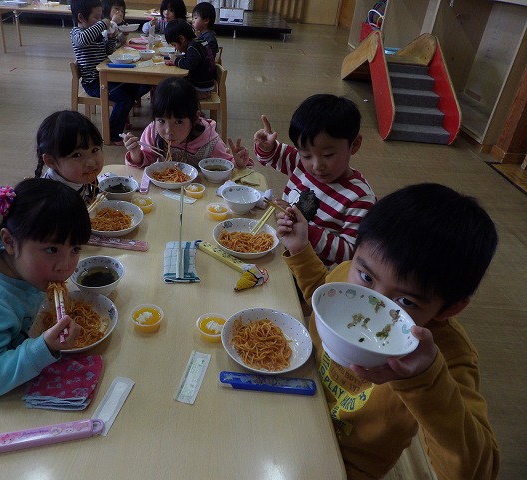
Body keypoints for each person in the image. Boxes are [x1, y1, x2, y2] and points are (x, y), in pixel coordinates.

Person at [277, 183, 500, 479]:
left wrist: (425, 380)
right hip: (300, 395)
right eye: (366, 277)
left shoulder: (448, 358)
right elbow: (323, 297)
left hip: (347, 464)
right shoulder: (347, 274)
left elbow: (475, 471)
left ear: (449, 309)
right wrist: (300, 250)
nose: (372, 306)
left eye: (405, 301)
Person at [0, 178, 92, 416]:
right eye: (52, 249)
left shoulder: (21, 266)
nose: (65, 266)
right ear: (9, 241)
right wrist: (43, 347)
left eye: (75, 250)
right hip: (6, 408)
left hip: (31, 372)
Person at [254, 94, 376, 268]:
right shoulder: (302, 163)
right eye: (306, 155)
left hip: (313, 274)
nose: (317, 165)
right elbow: (273, 156)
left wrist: (305, 231)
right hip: (283, 254)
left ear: (354, 144)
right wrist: (267, 147)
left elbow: (351, 253)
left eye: (328, 155)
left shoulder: (359, 197)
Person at [122, 76, 251, 169]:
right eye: (161, 120)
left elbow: (229, 169)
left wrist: (238, 164)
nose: (169, 131)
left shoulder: (210, 143)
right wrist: (135, 153)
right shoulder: (152, 132)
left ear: (195, 118)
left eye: (178, 121)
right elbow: (144, 162)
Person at [70, 0, 149, 144]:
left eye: (100, 17)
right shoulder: (77, 33)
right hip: (93, 83)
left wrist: (112, 39)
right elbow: (82, 40)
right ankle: (112, 134)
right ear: (81, 18)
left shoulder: (96, 33)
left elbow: (108, 52)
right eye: (96, 17)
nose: (99, 20)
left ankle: (121, 116)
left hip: (106, 77)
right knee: (124, 98)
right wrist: (104, 23)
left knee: (139, 86)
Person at [34, 110, 105, 206]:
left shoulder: (74, 177)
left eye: (94, 150)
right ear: (51, 161)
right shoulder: (55, 201)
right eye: (77, 155)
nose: (91, 163)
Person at [164, 19, 215, 99]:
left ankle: (196, 96)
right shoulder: (199, 40)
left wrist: (176, 60)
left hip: (200, 87)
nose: (175, 49)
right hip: (207, 83)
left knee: (173, 91)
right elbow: (193, 60)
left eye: (174, 45)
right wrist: (177, 62)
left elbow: (189, 64)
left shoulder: (192, 47)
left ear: (182, 39)